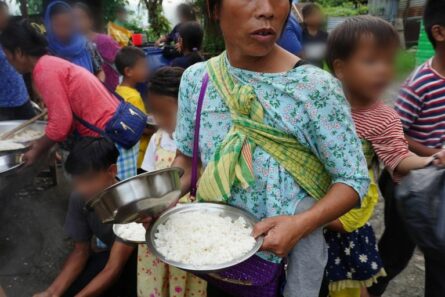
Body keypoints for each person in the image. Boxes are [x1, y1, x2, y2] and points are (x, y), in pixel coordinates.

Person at [167, 1, 370, 296]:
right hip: (219, 261)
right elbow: (187, 161)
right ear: (213, 9)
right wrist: (162, 200)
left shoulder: (314, 88)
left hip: (289, 268)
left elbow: (353, 180)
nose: (267, 10)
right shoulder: (197, 80)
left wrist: (300, 225)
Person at [324, 15, 445, 297]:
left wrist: (432, 160)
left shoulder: (383, 118)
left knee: (350, 283)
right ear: (340, 68)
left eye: (389, 62)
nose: (383, 71)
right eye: (371, 61)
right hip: (309, 201)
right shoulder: (321, 100)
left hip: (346, 214)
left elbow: (398, 157)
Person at [368, 1, 445, 297]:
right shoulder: (421, 82)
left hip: (438, 179)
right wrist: (431, 154)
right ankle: (365, 288)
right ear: (439, 32)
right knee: (396, 252)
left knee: (439, 252)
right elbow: (391, 131)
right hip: (409, 182)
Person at [0, 20, 138, 180]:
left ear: (19, 52)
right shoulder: (49, 63)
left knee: (111, 200)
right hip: (115, 132)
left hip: (112, 139)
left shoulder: (44, 70)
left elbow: (61, 124)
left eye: (8, 56)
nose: (9, 62)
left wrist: (38, 150)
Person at [33, 137, 137, 297]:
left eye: (89, 179)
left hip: (136, 263)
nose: (82, 189)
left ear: (112, 171)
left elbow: (114, 268)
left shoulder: (131, 203)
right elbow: (80, 251)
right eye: (77, 182)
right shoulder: (79, 198)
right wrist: (51, 292)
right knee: (69, 289)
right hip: (109, 256)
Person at [137, 67, 207, 297]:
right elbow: (150, 178)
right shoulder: (157, 140)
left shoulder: (206, 142)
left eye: (165, 112)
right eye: (154, 112)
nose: (158, 120)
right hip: (161, 234)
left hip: (193, 239)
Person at [45, 1, 104, 78]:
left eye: (66, 24)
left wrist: (97, 85)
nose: (63, 30)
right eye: (58, 25)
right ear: (50, 26)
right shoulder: (47, 51)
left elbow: (100, 71)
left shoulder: (86, 46)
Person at [115, 46, 150, 168]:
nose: (147, 70)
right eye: (143, 67)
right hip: (139, 152)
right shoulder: (134, 97)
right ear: (128, 71)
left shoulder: (118, 90)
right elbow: (140, 127)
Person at [0, 1, 36, 120]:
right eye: (2, 13)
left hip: (21, 96)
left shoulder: (13, 34)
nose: (6, 17)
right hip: (3, 104)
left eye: (6, 13)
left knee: (31, 131)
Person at [73, 2, 121, 91]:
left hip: (110, 91)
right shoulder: (69, 47)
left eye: (81, 18)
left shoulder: (105, 41)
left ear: (90, 21)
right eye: (74, 19)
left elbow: (122, 61)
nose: (78, 22)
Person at [301, 3, 328, 68]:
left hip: (319, 70)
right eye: (314, 15)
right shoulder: (300, 34)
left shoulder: (325, 35)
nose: (318, 17)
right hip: (303, 70)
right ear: (305, 18)